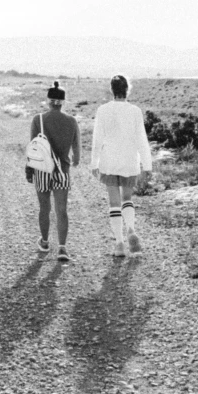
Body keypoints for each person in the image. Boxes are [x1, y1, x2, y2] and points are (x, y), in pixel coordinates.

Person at [90, 75, 152, 256]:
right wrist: (147, 165)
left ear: (112, 90)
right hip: (129, 161)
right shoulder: (135, 111)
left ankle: (119, 244)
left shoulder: (103, 110)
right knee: (127, 199)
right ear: (127, 90)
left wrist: (94, 163)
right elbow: (142, 139)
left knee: (114, 202)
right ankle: (131, 228)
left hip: (109, 161)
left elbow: (97, 139)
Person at [26, 81, 80, 262]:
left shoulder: (38, 119)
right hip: (62, 171)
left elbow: (32, 147)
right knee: (61, 209)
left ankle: (45, 242)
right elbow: (77, 155)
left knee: (44, 208)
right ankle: (63, 248)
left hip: (42, 170)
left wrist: (29, 170)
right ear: (63, 102)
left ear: (49, 101)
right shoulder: (72, 121)